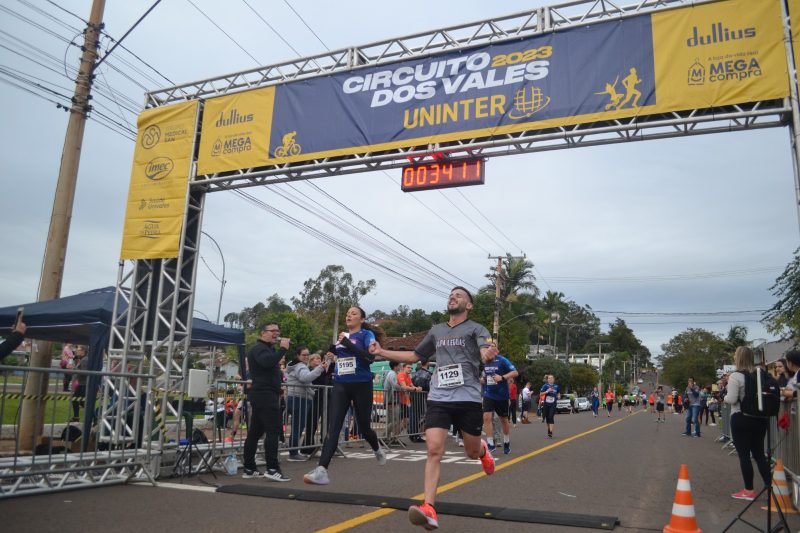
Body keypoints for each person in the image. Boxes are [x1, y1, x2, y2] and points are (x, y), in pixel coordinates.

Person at [367, 287, 498, 531]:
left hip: (467, 397)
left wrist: (487, 353)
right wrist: (381, 351)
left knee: (470, 451)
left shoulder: (477, 329)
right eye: (451, 294)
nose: (453, 297)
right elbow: (415, 356)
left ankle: (482, 452)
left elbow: (484, 350)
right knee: (434, 449)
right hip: (439, 397)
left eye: (459, 295)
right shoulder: (436, 330)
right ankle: (429, 507)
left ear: (469, 305)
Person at [304, 307, 387, 485]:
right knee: (334, 427)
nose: (349, 315)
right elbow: (336, 360)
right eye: (348, 313)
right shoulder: (340, 338)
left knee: (365, 428)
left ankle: (376, 447)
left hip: (362, 384)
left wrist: (348, 344)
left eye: (354, 313)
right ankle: (322, 470)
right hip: (341, 384)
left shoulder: (366, 336)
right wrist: (330, 357)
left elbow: (369, 358)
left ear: (362, 319)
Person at [242, 323, 291, 482]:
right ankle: (272, 468)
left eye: (278, 330)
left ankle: (249, 467)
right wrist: (283, 349)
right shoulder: (258, 349)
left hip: (266, 393)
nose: (276, 334)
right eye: (273, 331)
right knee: (273, 430)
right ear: (263, 333)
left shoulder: (267, 349)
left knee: (256, 432)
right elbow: (267, 363)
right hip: (264, 394)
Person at [724, 346, 771, 501]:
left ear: (738, 358)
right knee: (759, 454)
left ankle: (749, 490)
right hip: (760, 418)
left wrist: (723, 397)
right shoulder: (761, 374)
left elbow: (731, 399)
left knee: (744, 455)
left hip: (741, 417)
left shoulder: (736, 376)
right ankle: (769, 488)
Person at [285, 345, 328, 461]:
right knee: (297, 427)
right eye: (304, 355)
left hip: (295, 397)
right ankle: (293, 453)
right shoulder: (301, 367)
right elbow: (306, 378)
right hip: (299, 399)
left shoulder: (295, 366)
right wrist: (320, 368)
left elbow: (305, 383)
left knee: (296, 426)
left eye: (307, 354)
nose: (306, 357)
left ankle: (293, 452)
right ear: (298, 355)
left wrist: (311, 391)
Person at [480, 351, 518, 453]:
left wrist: (502, 377)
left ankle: (506, 442)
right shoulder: (485, 362)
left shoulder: (502, 360)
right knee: (486, 417)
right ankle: (490, 444)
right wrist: (483, 379)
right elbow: (488, 376)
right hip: (488, 394)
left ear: (495, 351)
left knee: (503, 420)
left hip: (502, 395)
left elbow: (515, 373)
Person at [410, 360, 433, 442]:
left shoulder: (414, 374)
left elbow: (411, 384)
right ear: (427, 363)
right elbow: (430, 387)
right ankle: (415, 435)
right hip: (424, 397)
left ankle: (413, 433)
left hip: (414, 396)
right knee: (423, 416)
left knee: (414, 416)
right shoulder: (429, 374)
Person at [68, 345, 89, 422]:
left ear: (83, 351)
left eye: (79, 350)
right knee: (77, 400)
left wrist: (74, 370)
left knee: (82, 401)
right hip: (81, 384)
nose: (77, 351)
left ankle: (94, 417)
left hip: (84, 384)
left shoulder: (85, 360)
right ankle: (76, 417)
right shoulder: (82, 359)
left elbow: (84, 372)